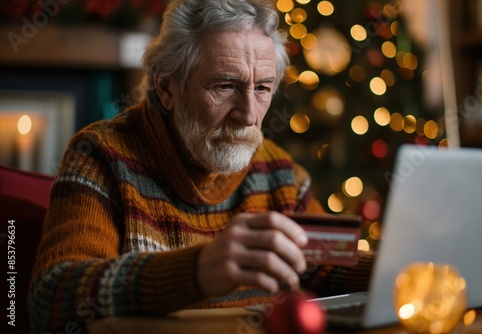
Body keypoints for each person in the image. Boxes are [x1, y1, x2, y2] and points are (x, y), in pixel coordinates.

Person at [28, 0, 374, 332]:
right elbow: (51, 299)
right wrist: (196, 271)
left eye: (264, 88)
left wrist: (408, 265)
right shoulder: (100, 155)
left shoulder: (280, 172)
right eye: (225, 86)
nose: (249, 114)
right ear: (166, 87)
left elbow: (325, 266)